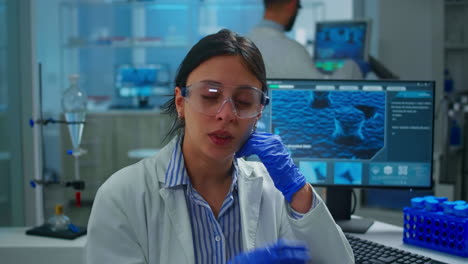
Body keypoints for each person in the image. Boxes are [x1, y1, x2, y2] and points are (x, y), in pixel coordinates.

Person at [86, 29, 354, 264]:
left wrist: (299, 191)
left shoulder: (273, 193)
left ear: (259, 112)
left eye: (245, 101)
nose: (226, 114)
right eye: (210, 96)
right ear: (180, 102)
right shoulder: (122, 196)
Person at [249, 0, 363, 79]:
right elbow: (321, 89)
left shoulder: (246, 43)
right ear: (292, 4)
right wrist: (353, 66)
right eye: (299, 7)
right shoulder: (291, 50)